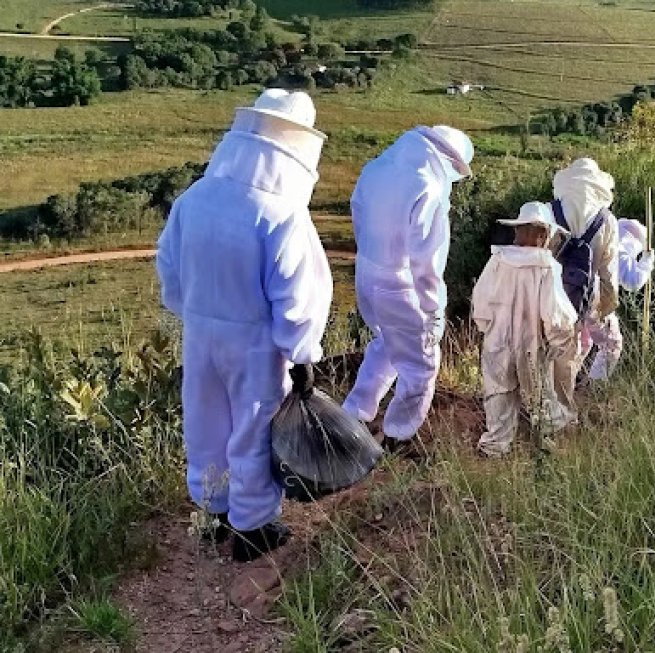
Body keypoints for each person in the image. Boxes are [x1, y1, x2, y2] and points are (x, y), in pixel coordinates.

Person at [156, 89, 333, 562]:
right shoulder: (280, 214)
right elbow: (298, 296)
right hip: (255, 343)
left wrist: (194, 313)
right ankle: (253, 527)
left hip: (199, 333)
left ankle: (213, 511)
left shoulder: (194, 197)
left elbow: (168, 269)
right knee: (253, 425)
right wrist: (302, 354)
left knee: (205, 419)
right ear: (297, 148)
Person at [342, 126, 474, 456]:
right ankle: (398, 436)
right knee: (421, 363)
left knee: (386, 343)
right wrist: (433, 315)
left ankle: (353, 414)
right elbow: (426, 263)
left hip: (367, 272)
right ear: (448, 160)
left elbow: (357, 211)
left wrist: (371, 257)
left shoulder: (375, 169)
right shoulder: (427, 186)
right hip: (399, 284)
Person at [472, 202, 578, 458]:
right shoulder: (546, 268)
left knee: (498, 393)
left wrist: (487, 328)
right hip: (532, 344)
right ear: (543, 234)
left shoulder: (497, 260)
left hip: (497, 339)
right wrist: (557, 341)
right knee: (540, 396)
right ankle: (546, 445)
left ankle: (495, 448)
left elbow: (481, 302)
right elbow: (555, 315)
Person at [550, 158, 620, 390]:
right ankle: (592, 391)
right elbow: (608, 269)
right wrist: (608, 303)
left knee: (554, 349)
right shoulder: (606, 220)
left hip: (551, 295)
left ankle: (548, 399)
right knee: (611, 342)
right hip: (589, 294)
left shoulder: (552, 211)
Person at [579, 218, 655, 381]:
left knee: (582, 343)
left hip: (576, 297)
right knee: (611, 343)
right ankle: (595, 388)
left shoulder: (601, 239)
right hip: (596, 303)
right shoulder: (619, 250)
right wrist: (647, 261)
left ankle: (567, 386)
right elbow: (632, 281)